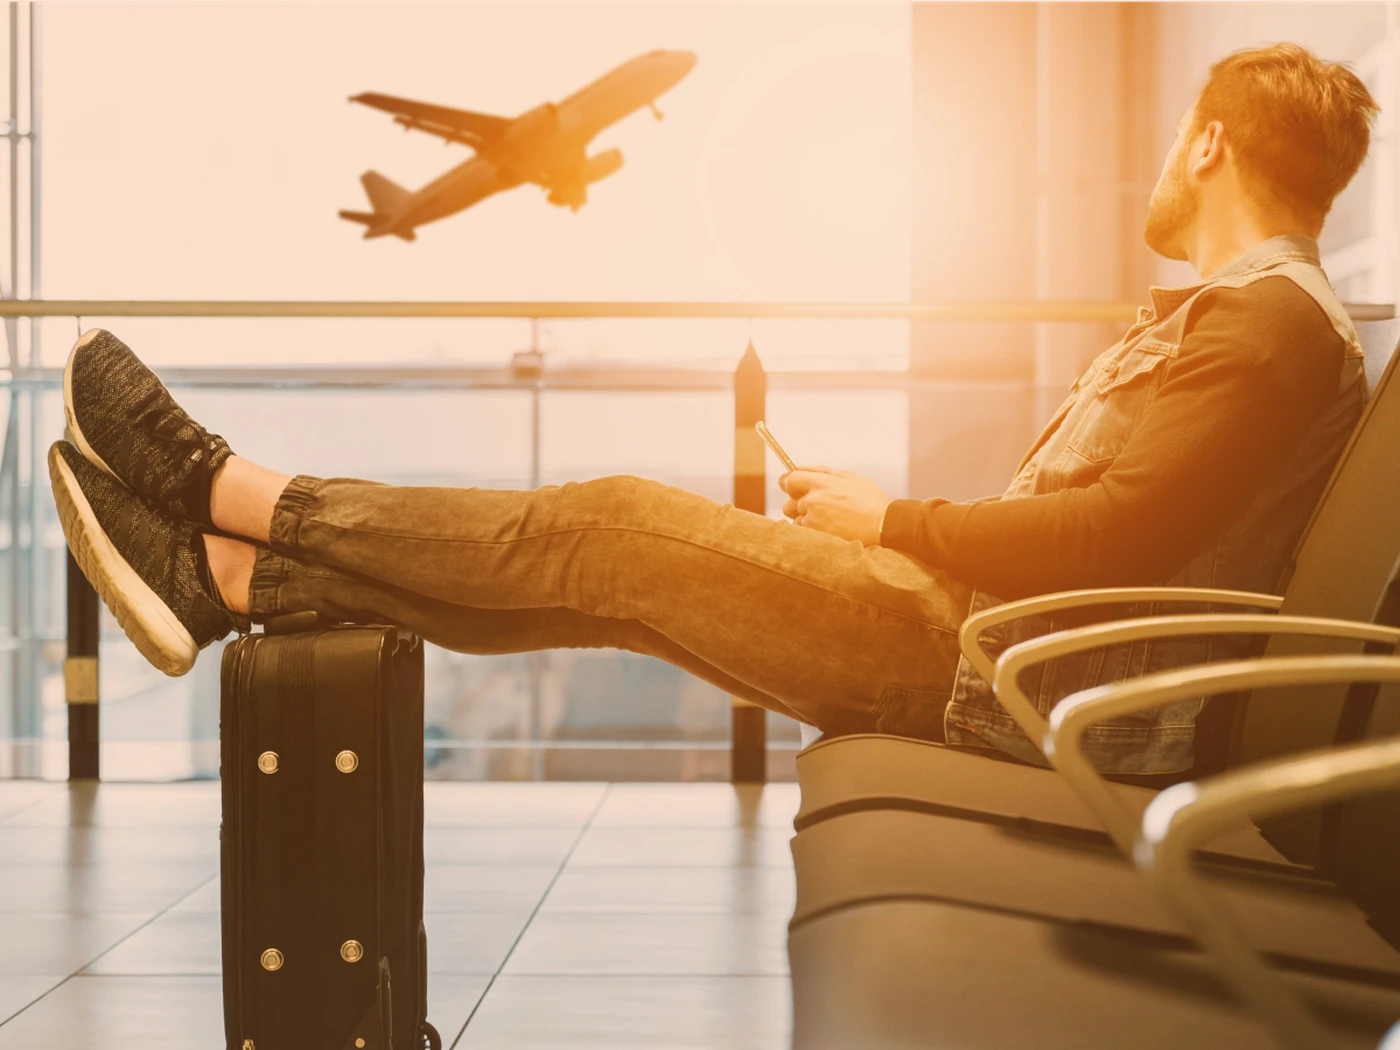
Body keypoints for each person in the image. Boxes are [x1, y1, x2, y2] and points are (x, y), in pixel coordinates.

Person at [51, 43, 1378, 776]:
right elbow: (1117, 531)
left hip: (1001, 676)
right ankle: (229, 577)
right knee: (616, 583)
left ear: (1206, 143)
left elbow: (1116, 540)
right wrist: (896, 528)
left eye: (1171, 142)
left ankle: (227, 492)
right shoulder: (1259, 325)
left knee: (616, 527)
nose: (1159, 166)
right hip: (1000, 654)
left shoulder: (1266, 328)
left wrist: (897, 519)